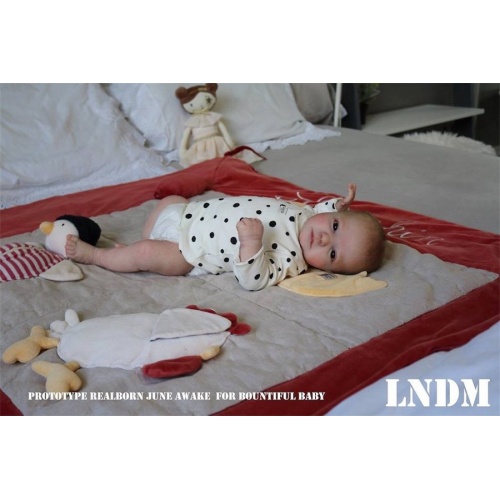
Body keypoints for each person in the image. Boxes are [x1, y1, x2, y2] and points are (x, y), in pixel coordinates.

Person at [65, 184, 385, 291]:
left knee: (148, 254)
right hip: (189, 215)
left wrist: (251, 244)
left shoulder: (293, 260)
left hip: (188, 252)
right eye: (336, 227)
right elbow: (323, 209)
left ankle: (96, 256)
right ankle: (135, 249)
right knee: (171, 200)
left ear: (327, 268)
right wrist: (339, 205)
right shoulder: (310, 213)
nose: (325, 240)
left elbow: (254, 279)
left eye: (333, 255)